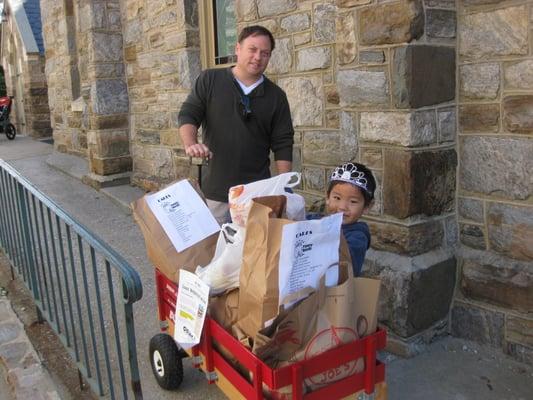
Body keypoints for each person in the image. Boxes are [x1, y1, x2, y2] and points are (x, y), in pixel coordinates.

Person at [178, 25, 294, 224]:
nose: (258, 57)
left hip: (256, 194)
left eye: (265, 53)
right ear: (238, 48)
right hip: (215, 190)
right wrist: (191, 143)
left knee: (254, 251)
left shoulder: (277, 96)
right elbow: (189, 113)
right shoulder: (210, 79)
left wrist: (285, 188)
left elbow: (283, 143)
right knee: (215, 249)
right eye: (253, 49)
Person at [326, 162, 376, 277]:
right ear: (327, 197)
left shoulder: (357, 237)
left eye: (353, 201)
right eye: (337, 198)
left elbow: (344, 265)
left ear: (367, 207)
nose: (342, 207)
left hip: (334, 292)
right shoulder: (316, 220)